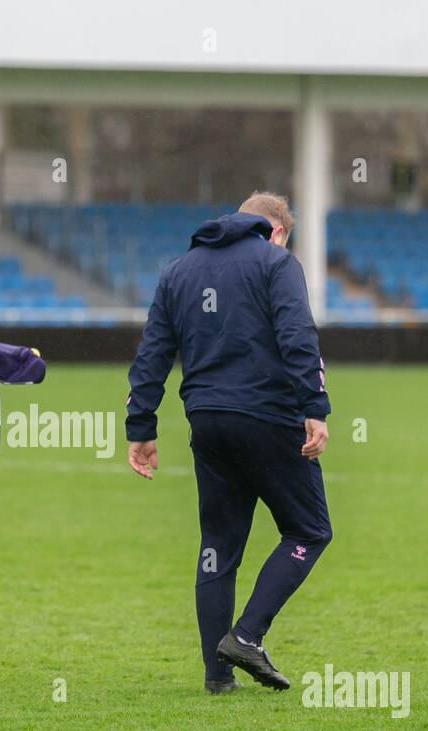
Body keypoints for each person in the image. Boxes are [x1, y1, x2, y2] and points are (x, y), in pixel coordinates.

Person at [124, 192, 332, 694]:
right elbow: (298, 334)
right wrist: (314, 407)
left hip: (208, 421)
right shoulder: (277, 262)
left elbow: (152, 353)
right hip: (269, 417)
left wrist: (141, 427)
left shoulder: (178, 271)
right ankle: (246, 636)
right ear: (276, 231)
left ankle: (217, 676)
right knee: (309, 531)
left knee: (218, 546)